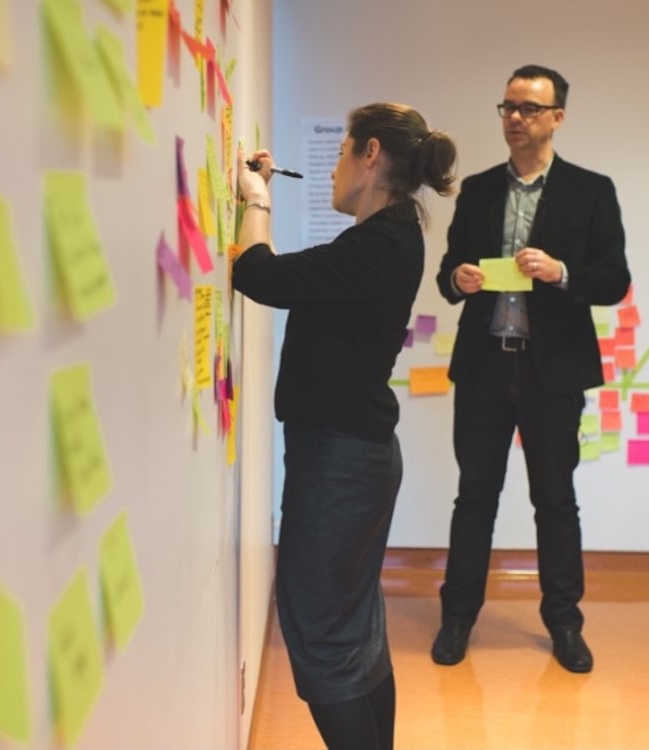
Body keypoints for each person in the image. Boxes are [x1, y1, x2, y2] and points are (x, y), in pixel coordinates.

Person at [233, 103, 456, 750]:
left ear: (371, 155)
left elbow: (259, 275)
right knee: (352, 630)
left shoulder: (381, 245)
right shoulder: (386, 237)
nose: (331, 170)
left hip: (341, 462)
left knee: (322, 635)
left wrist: (256, 200)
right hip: (350, 456)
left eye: (340, 153)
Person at [432, 65, 631, 674]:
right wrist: (459, 279)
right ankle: (457, 618)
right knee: (475, 498)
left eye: (530, 109)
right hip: (485, 366)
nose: (515, 118)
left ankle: (565, 624)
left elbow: (614, 281)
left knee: (555, 500)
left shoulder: (592, 191)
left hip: (554, 371)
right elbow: (447, 274)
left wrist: (561, 271)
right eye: (508, 107)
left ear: (557, 119)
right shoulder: (480, 189)